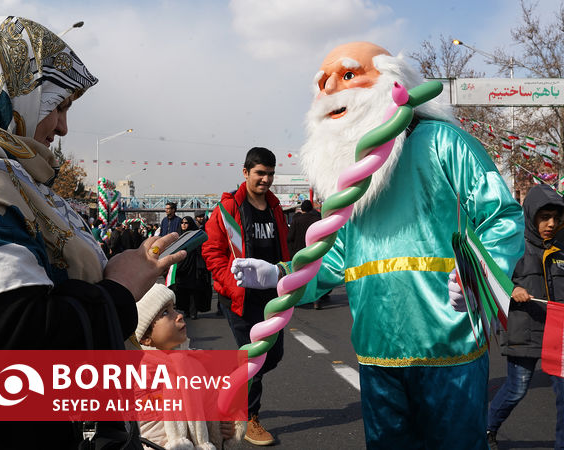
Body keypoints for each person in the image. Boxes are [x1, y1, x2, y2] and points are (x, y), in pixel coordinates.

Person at [230, 42, 524, 449]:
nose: (331, 87)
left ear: (392, 79)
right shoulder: (347, 173)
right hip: (376, 351)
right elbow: (337, 254)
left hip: (449, 344)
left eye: (348, 75)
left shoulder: (444, 142)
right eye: (323, 81)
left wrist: (476, 276)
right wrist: (281, 273)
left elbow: (503, 217)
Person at [0, 16, 185, 449]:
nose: (63, 128)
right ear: (11, 94)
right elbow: (14, 344)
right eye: (57, 106)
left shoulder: (15, 179)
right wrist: (120, 289)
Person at [202, 147, 290, 446]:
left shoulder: (276, 207)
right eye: (260, 173)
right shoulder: (228, 209)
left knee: (273, 354)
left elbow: (283, 251)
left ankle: (230, 383)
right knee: (254, 354)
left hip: (273, 296)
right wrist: (231, 285)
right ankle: (249, 416)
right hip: (239, 298)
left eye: (270, 174)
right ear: (245, 172)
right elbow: (212, 252)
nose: (265, 179)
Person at [482, 184, 564, 450]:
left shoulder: (562, 249)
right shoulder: (512, 246)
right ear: (531, 215)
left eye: (556, 218)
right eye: (544, 217)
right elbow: (491, 279)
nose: (551, 224)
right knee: (517, 389)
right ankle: (487, 428)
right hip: (522, 329)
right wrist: (512, 288)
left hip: (558, 332)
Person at [132, 284, 245, 449]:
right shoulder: (138, 374)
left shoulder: (197, 363)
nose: (178, 316)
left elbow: (215, 403)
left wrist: (227, 427)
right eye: (165, 312)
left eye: (175, 309)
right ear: (145, 338)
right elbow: (144, 429)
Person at [170, 216, 212, 319]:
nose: (183, 225)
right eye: (182, 222)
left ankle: (194, 311)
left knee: (193, 291)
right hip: (181, 267)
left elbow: (202, 249)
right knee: (182, 290)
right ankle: (186, 310)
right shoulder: (178, 236)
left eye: (186, 223)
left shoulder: (196, 235)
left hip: (194, 267)